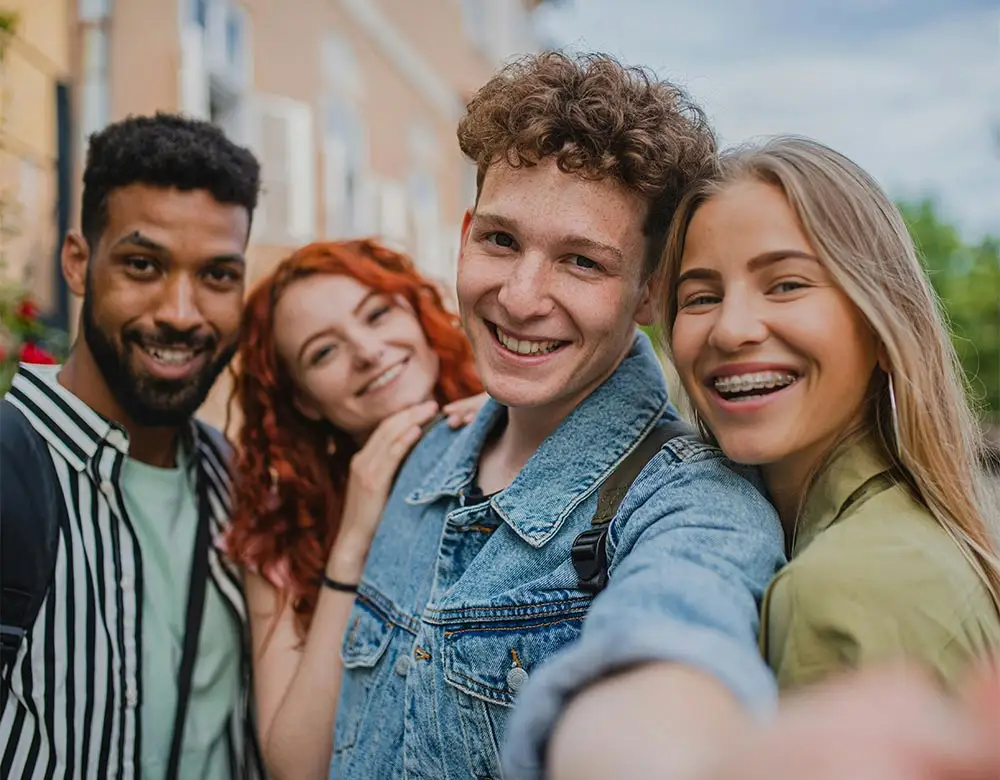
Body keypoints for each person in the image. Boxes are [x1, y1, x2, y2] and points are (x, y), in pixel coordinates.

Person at [331, 51, 787, 780]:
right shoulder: (424, 456)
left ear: (648, 295)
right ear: (464, 236)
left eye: (582, 262)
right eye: (501, 241)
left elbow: (679, 641)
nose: (519, 296)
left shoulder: (692, 504)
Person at [662, 135, 1000, 690]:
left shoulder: (835, 590)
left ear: (883, 325)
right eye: (700, 296)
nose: (731, 328)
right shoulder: (909, 539)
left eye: (787, 285)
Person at [0, 113, 265, 779]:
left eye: (217, 275)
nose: (181, 311)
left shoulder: (240, 486)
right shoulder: (9, 471)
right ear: (78, 262)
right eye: (143, 265)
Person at [225, 239, 486, 779]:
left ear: (416, 312)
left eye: (377, 313)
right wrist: (350, 545)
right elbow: (296, 766)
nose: (367, 351)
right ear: (302, 399)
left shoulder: (522, 424)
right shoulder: (284, 530)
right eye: (324, 352)